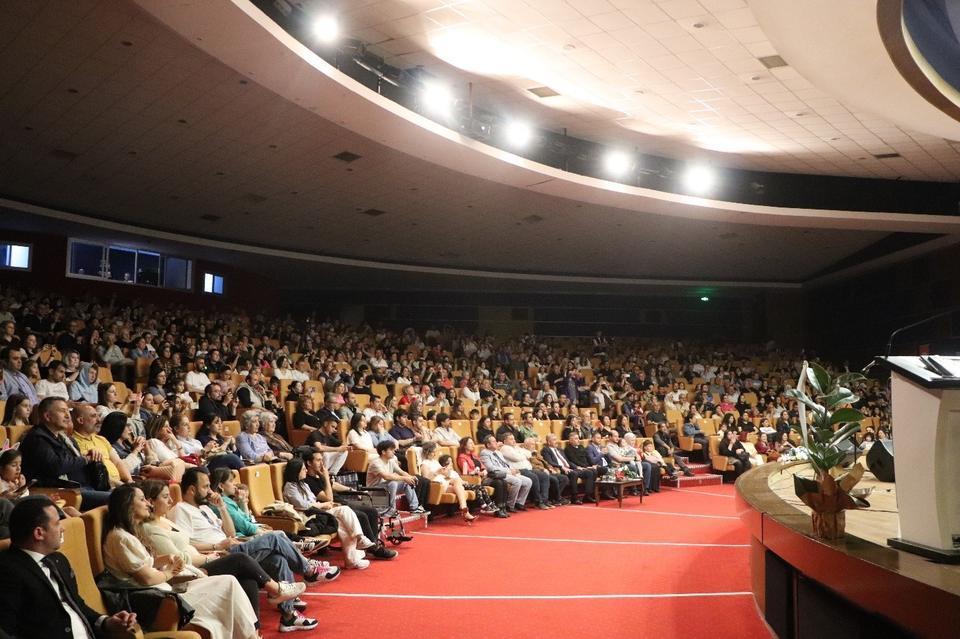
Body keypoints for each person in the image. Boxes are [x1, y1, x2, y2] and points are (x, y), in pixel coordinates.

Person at [168, 468, 327, 632]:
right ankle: (308, 570)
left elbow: (229, 533)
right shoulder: (181, 510)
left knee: (277, 560)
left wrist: (222, 508)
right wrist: (216, 546)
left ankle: (289, 617)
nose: (210, 491)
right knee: (274, 537)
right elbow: (186, 545)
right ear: (192, 489)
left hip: (232, 547)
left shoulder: (205, 508)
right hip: (217, 556)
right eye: (205, 487)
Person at [139, 479, 306, 631]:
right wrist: (211, 555)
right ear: (151, 501)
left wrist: (216, 540)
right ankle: (290, 581)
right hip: (193, 571)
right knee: (269, 542)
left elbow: (212, 538)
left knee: (266, 565)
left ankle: (258, 629)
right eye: (166, 497)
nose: (171, 500)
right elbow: (178, 561)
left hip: (212, 554)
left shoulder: (166, 520)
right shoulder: (153, 528)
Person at [101, 485, 259, 639]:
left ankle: (252, 635)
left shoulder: (127, 534)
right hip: (158, 599)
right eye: (142, 500)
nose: (148, 503)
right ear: (127, 505)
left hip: (165, 590)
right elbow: (146, 578)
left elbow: (143, 565)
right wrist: (171, 571)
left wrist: (165, 558)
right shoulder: (121, 538)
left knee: (229, 584)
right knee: (229, 583)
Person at [0, 496, 140, 639]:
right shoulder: (8, 573)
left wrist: (107, 622)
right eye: (57, 523)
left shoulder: (58, 560)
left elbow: (77, 605)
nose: (63, 528)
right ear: (39, 533)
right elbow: (7, 631)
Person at [301, 449, 398, 560]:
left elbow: (334, 485)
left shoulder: (319, 475)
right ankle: (375, 549)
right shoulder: (308, 481)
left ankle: (373, 545)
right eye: (318, 460)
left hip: (342, 502)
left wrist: (352, 490)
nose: (322, 463)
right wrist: (326, 478)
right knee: (361, 515)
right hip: (332, 507)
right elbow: (328, 498)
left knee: (372, 511)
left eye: (322, 460)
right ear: (309, 463)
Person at [281, 458, 375, 569]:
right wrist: (324, 505)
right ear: (295, 471)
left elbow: (313, 501)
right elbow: (304, 506)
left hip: (318, 512)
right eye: (303, 469)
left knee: (341, 521)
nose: (305, 470)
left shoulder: (303, 484)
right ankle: (358, 541)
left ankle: (352, 557)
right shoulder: (290, 487)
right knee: (344, 510)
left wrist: (327, 504)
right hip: (309, 516)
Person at [19, 397, 111, 510]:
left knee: (128, 493)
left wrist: (91, 457)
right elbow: (56, 466)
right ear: (48, 416)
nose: (68, 415)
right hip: (62, 491)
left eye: (68, 411)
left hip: (84, 486)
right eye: (63, 411)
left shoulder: (66, 439)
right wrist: (85, 459)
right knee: (118, 499)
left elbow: (73, 462)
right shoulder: (37, 438)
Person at [70, 403, 132, 488]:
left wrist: (130, 481)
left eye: (98, 416)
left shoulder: (101, 439)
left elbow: (118, 462)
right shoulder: (72, 442)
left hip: (119, 485)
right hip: (101, 486)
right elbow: (92, 472)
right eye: (93, 416)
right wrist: (122, 486)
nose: (99, 420)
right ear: (81, 420)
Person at [419, 441, 476, 521]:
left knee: (458, 485)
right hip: (436, 487)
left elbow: (443, 474)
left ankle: (464, 509)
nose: (435, 454)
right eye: (433, 452)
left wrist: (446, 473)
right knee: (459, 486)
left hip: (444, 483)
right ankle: (464, 510)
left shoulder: (435, 462)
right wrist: (437, 472)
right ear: (428, 452)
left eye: (435, 452)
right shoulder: (424, 464)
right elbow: (425, 479)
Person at [365, 440, 425, 516]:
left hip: (386, 488)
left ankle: (415, 508)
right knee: (393, 483)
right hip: (375, 491)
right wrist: (404, 478)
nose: (394, 451)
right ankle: (391, 510)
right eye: (391, 450)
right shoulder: (375, 463)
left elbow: (402, 472)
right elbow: (386, 476)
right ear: (383, 452)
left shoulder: (391, 461)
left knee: (406, 482)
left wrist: (410, 477)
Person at [457, 437, 508, 518]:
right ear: (464, 446)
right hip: (475, 479)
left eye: (473, 442)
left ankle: (503, 507)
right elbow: (466, 472)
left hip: (484, 477)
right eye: (470, 443)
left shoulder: (474, 455)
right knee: (498, 483)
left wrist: (484, 471)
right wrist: (476, 472)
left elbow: (483, 466)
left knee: (503, 482)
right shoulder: (462, 457)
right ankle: (498, 510)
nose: (473, 445)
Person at [479, 435, 532, 512]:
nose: (496, 442)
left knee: (528, 481)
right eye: (493, 441)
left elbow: (505, 463)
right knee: (517, 481)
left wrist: (512, 469)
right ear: (488, 445)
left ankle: (519, 503)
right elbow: (491, 468)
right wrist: (508, 471)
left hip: (508, 472)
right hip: (497, 474)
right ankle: (510, 505)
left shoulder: (498, 452)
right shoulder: (485, 453)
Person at [498, 433, 551, 510]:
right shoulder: (505, 448)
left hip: (528, 469)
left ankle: (544, 500)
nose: (514, 440)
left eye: (514, 438)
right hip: (519, 470)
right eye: (511, 439)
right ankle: (538, 501)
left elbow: (529, 454)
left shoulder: (516, 448)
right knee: (534, 477)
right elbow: (516, 458)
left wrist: (521, 453)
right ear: (505, 441)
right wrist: (522, 454)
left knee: (544, 476)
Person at [540, 432, 596, 504]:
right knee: (574, 474)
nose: (556, 441)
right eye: (554, 440)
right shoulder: (546, 450)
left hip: (569, 468)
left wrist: (577, 467)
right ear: (548, 442)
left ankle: (588, 495)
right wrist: (562, 467)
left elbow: (568, 461)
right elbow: (549, 462)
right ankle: (574, 497)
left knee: (589, 472)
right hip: (559, 469)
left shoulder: (560, 449)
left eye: (556, 439)